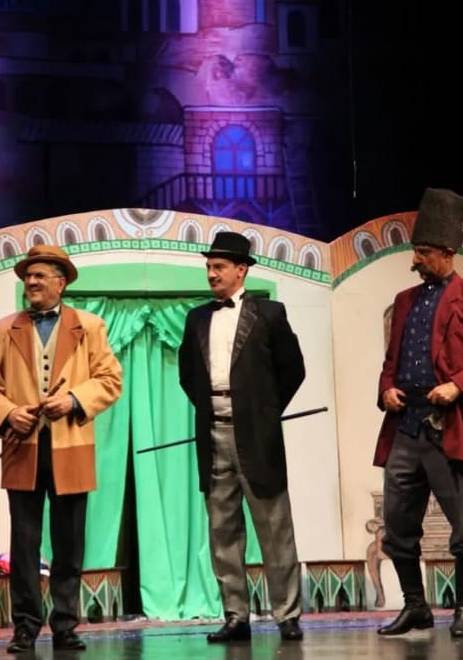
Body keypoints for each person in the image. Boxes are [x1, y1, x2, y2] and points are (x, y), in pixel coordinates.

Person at [372, 188, 463, 638]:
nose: (415, 260)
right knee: (397, 525)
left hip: (450, 425)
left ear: (448, 253)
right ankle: (416, 606)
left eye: (424, 252)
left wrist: (458, 385)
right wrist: (386, 390)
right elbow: (391, 360)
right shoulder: (405, 300)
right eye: (415, 251)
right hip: (405, 426)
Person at [0, 245, 123, 654]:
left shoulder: (88, 326)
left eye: (39, 275)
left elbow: (110, 379)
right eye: (28, 276)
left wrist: (73, 400)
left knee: (68, 540)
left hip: (70, 445)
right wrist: (10, 414)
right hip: (22, 446)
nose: (32, 282)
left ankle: (65, 624)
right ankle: (25, 626)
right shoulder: (6, 328)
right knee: (24, 542)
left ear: (61, 283)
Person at [178, 231, 306, 643]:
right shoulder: (197, 318)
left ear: (241, 270)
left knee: (275, 528)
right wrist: (211, 406)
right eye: (208, 267)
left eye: (219, 267)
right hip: (213, 433)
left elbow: (293, 369)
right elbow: (187, 374)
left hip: (257, 436)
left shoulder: (269, 313)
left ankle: (287, 615)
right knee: (223, 531)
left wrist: (264, 412)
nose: (211, 274)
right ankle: (236, 615)